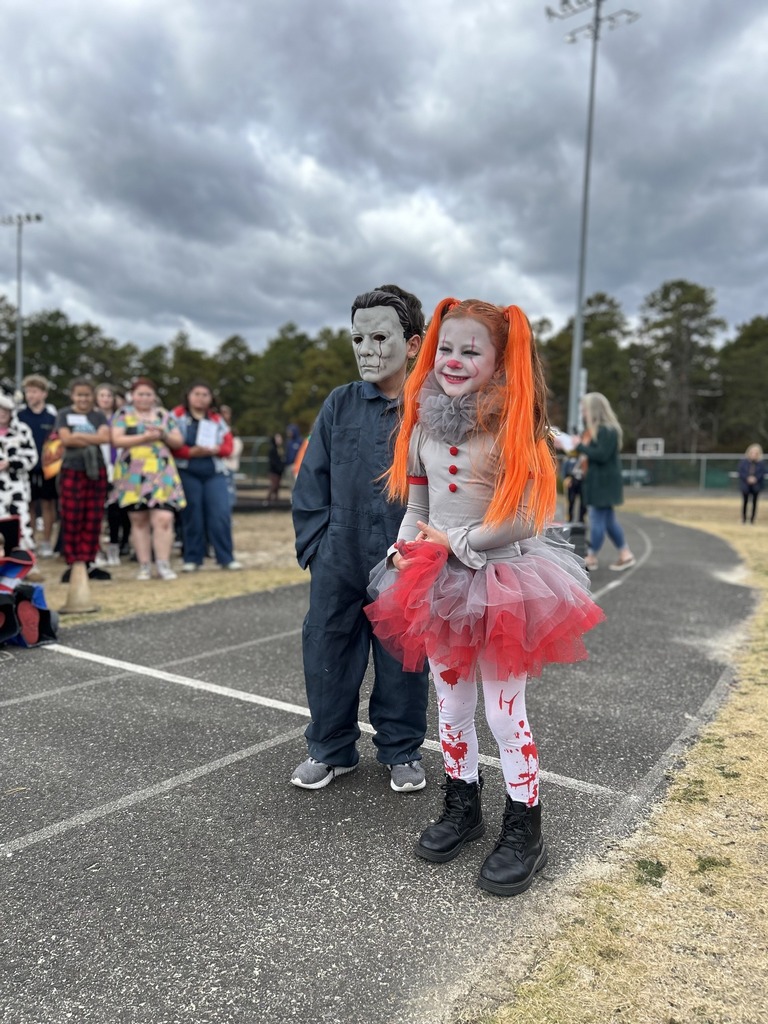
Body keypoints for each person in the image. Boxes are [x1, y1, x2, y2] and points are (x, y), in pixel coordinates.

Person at [364, 297, 605, 896]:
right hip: (437, 584)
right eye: (445, 347)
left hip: (503, 585)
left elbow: (528, 516)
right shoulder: (420, 421)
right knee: (449, 706)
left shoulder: (514, 425)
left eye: (471, 350)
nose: (453, 359)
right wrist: (404, 548)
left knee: (503, 710)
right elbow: (417, 507)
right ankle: (463, 804)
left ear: (499, 361)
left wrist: (458, 542)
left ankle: (525, 825)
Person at [290, 285, 431, 793]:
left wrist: (427, 553)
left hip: (404, 550)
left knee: (402, 654)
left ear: (412, 344)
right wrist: (317, 549)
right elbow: (312, 478)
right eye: (358, 338)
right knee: (327, 644)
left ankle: (401, 750)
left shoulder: (432, 408)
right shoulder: (340, 403)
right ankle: (330, 749)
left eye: (380, 336)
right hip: (340, 550)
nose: (367, 349)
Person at [110, 378, 186, 581]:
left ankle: (163, 563)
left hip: (161, 470)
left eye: (148, 394)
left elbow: (178, 441)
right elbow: (116, 440)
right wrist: (144, 438)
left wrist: (163, 435)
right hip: (134, 472)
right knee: (139, 519)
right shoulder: (123, 414)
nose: (144, 398)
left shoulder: (164, 414)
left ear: (154, 396)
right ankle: (144, 565)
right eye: (140, 394)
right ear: (132, 396)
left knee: (164, 518)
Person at [173, 381, 242, 572]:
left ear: (211, 398)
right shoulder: (176, 415)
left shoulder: (217, 419)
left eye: (205, 394)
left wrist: (216, 449)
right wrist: (189, 452)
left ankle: (226, 557)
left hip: (214, 472)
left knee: (220, 513)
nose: (200, 398)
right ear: (188, 395)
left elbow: (228, 447)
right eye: (196, 393)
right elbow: (170, 443)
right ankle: (193, 558)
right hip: (187, 471)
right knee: (192, 515)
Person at [54, 378, 112, 581]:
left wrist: (78, 436)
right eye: (79, 395)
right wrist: (89, 437)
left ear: (92, 396)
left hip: (96, 470)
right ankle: (74, 561)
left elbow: (105, 438)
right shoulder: (64, 414)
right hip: (72, 469)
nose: (83, 399)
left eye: (87, 395)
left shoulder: (97, 415)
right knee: (72, 515)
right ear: (72, 396)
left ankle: (89, 559)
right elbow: (66, 439)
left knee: (93, 515)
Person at [575, 392, 635, 572]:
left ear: (594, 410)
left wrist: (578, 445)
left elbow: (600, 455)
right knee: (608, 520)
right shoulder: (601, 430)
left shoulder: (607, 430)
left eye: (585, 410)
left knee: (597, 519)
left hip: (603, 484)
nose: (583, 414)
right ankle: (625, 554)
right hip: (601, 483)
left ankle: (591, 556)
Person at [17, 375, 58, 557]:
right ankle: (30, 539)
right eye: (28, 392)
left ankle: (47, 542)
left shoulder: (51, 417)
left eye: (34, 391)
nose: (30, 395)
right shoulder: (19, 416)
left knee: (48, 504)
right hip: (26, 469)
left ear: (43, 394)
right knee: (29, 505)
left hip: (47, 468)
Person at [95, 383, 131, 565]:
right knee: (97, 510)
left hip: (118, 466)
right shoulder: (93, 418)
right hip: (98, 466)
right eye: (102, 396)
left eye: (109, 396)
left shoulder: (121, 418)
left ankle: (115, 547)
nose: (105, 399)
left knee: (116, 510)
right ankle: (97, 548)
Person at [0, 392, 38, 550]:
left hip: (17, 487)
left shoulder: (22, 430)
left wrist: (11, 463)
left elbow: (32, 457)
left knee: (20, 523)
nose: (2, 413)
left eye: (5, 410)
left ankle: (23, 561)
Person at [219, 405, 243, 510]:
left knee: (229, 491)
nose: (224, 415)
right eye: (222, 412)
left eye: (226, 413)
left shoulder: (231, 431)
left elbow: (232, 450)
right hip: (218, 466)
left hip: (229, 466)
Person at [738, 443, 765, 524]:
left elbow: (762, 473)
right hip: (746, 485)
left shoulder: (761, 464)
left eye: (756, 453)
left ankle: (752, 519)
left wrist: (755, 479)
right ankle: (744, 518)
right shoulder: (743, 462)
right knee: (745, 502)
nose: (753, 454)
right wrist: (747, 478)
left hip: (756, 485)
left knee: (754, 502)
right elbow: (741, 472)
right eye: (752, 452)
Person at [561, 451, 586, 524]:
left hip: (582, 482)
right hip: (572, 482)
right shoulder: (568, 459)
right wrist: (566, 479)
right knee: (570, 501)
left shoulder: (583, 458)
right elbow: (564, 472)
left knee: (583, 502)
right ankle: (570, 518)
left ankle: (581, 519)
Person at [266, 433, 285, 505]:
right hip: (274, 471)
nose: (280, 440)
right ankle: (267, 500)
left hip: (279, 471)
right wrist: (279, 467)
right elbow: (273, 461)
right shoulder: (272, 449)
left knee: (277, 486)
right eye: (278, 439)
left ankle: (276, 502)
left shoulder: (280, 449)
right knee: (273, 485)